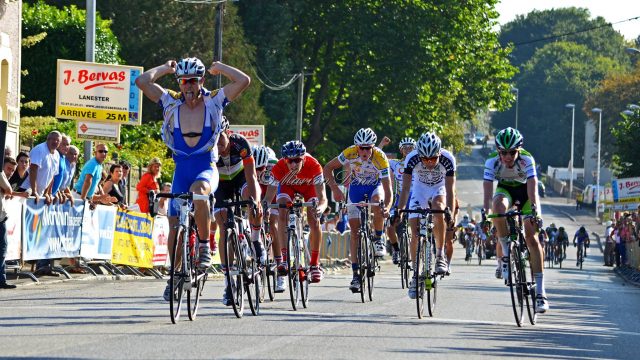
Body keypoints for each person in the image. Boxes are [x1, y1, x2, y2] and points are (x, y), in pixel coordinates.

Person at [135, 56, 250, 301]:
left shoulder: (214, 100)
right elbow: (142, 81)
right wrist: (165, 69)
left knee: (199, 192)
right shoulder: (171, 101)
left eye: (193, 81)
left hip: (205, 167)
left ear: (201, 81)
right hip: (181, 170)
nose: (187, 86)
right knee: (175, 227)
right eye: (183, 81)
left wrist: (222, 68)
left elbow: (244, 80)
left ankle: (205, 245)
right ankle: (174, 275)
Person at [483, 127, 548, 313]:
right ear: (498, 151)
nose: (508, 157)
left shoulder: (527, 159)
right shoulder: (491, 162)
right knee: (497, 207)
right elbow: (488, 191)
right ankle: (505, 253)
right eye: (503, 152)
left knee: (531, 236)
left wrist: (535, 211)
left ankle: (540, 292)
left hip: (526, 194)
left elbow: (533, 188)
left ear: (518, 150)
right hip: (506, 191)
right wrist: (485, 213)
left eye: (512, 152)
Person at [323, 128, 392, 292]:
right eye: (362, 148)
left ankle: (378, 238)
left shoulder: (380, 157)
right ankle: (355, 275)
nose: (365, 151)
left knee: (377, 202)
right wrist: (335, 189)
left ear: (373, 147)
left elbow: (388, 189)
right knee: (354, 230)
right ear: (357, 147)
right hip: (355, 188)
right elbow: (327, 168)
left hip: (375, 187)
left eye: (368, 148)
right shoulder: (350, 152)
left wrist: (387, 208)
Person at [396, 132, 456, 299]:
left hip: (439, 188)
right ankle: (415, 274)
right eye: (425, 159)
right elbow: (406, 189)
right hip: (419, 189)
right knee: (414, 231)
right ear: (419, 155)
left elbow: (450, 191)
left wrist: (449, 212)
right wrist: (400, 210)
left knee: (439, 208)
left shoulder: (448, 159)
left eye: (433, 159)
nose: (429, 163)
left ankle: (439, 255)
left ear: (439, 153)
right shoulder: (412, 158)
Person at [263, 141, 328, 287]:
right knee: (282, 212)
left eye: (297, 160)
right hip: (287, 188)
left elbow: (322, 197)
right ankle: (285, 259)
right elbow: (268, 198)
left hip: (309, 188)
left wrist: (321, 208)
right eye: (289, 161)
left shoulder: (314, 165)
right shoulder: (279, 167)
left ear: (303, 158)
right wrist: (265, 207)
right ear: (284, 159)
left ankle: (314, 264)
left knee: (314, 219)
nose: (293, 164)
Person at [213, 119, 264, 306]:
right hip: (219, 182)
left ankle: (256, 240)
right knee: (224, 226)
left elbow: (252, 176)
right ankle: (228, 282)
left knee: (251, 198)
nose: (218, 145)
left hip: (240, 177)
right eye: (214, 140)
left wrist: (256, 201)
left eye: (221, 140)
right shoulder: (208, 146)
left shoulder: (241, 143)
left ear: (229, 133)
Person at [387, 137, 415, 264]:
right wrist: (381, 144)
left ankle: (425, 248)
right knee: (390, 224)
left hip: (416, 198)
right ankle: (396, 250)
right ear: (401, 150)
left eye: (411, 147)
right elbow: (376, 158)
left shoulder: (420, 163)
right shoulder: (395, 163)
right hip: (400, 199)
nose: (408, 150)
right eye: (405, 148)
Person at [21, 131, 61, 204]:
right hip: (27, 190)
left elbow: (52, 176)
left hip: (39, 194)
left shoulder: (57, 155)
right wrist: (34, 191)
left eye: (58, 140)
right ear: (48, 139)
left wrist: (47, 193)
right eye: (53, 139)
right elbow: (33, 170)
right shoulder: (40, 149)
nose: (55, 142)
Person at [0, 159, 17, 289]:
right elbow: (9, 189)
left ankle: (2, 278)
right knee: (2, 249)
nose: (10, 172)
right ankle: (1, 279)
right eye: (9, 168)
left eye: (13, 170)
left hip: (2, 217)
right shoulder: (1, 174)